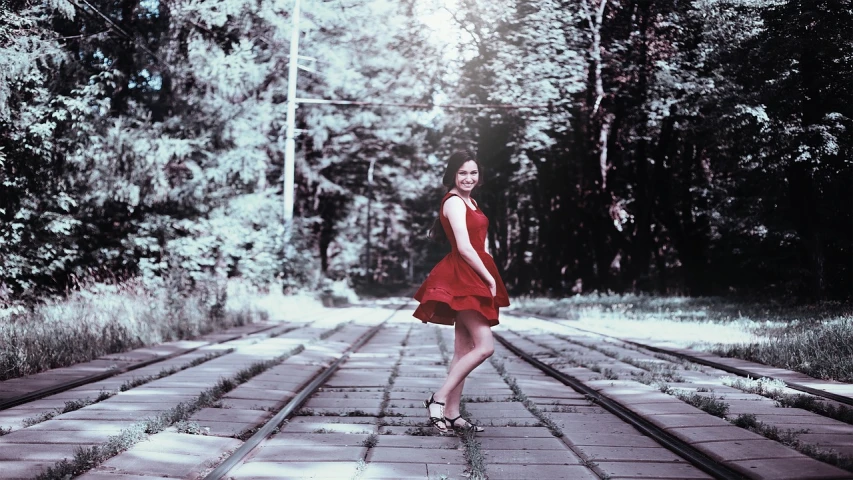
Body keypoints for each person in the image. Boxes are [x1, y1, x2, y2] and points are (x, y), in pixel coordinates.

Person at [413, 150, 510, 434]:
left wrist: (489, 272)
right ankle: (438, 399)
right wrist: (488, 278)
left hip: (472, 271)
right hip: (464, 276)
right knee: (485, 347)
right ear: (453, 175)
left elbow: (481, 243)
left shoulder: (471, 200)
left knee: (463, 349)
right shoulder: (454, 202)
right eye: (463, 173)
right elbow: (465, 247)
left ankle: (453, 414)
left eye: (473, 173)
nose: (469, 178)